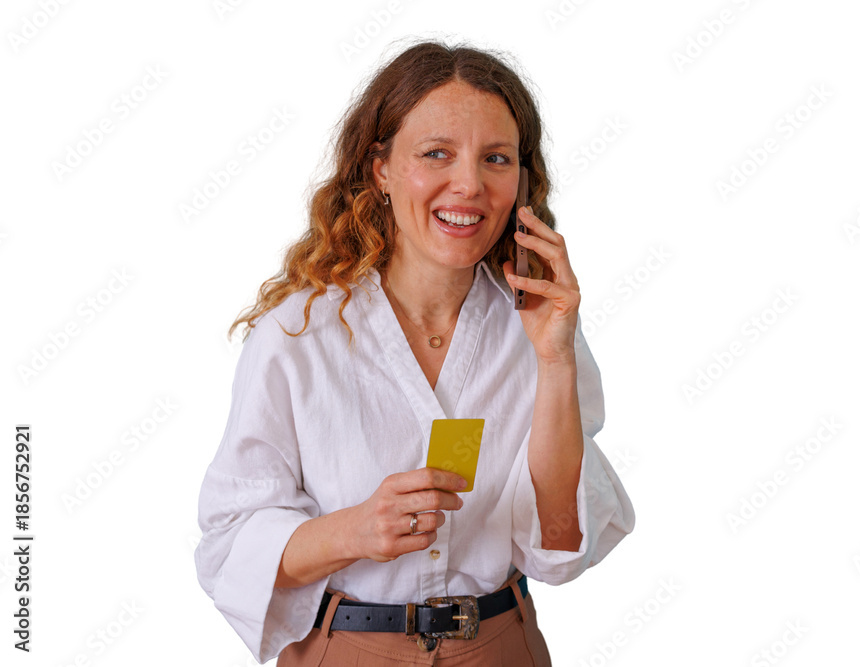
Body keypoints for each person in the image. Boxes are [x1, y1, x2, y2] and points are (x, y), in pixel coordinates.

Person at [194, 39, 635, 666]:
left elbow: (560, 549)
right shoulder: (297, 335)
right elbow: (228, 547)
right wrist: (354, 530)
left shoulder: (541, 328)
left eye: (496, 158)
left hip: (501, 647)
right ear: (381, 169)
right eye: (436, 153)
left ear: (522, 179)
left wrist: (556, 359)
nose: (470, 185)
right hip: (344, 650)